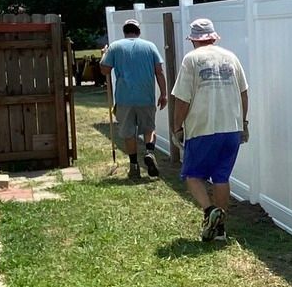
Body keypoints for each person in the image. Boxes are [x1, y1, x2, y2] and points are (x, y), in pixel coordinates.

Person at [170, 17, 248, 242]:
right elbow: (244, 92)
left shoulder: (191, 60)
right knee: (221, 177)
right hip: (231, 128)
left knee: (192, 175)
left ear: (193, 40)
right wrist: (243, 123)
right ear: (214, 37)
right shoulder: (231, 57)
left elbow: (182, 98)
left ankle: (209, 210)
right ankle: (220, 231)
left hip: (203, 127)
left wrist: (177, 127)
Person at [99, 19, 166, 181]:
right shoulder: (149, 46)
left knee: (129, 133)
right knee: (149, 129)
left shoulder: (115, 46)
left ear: (125, 31)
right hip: (146, 97)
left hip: (124, 99)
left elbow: (105, 70)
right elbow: (159, 71)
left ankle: (134, 167)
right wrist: (163, 94)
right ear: (138, 31)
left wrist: (104, 55)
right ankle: (149, 151)